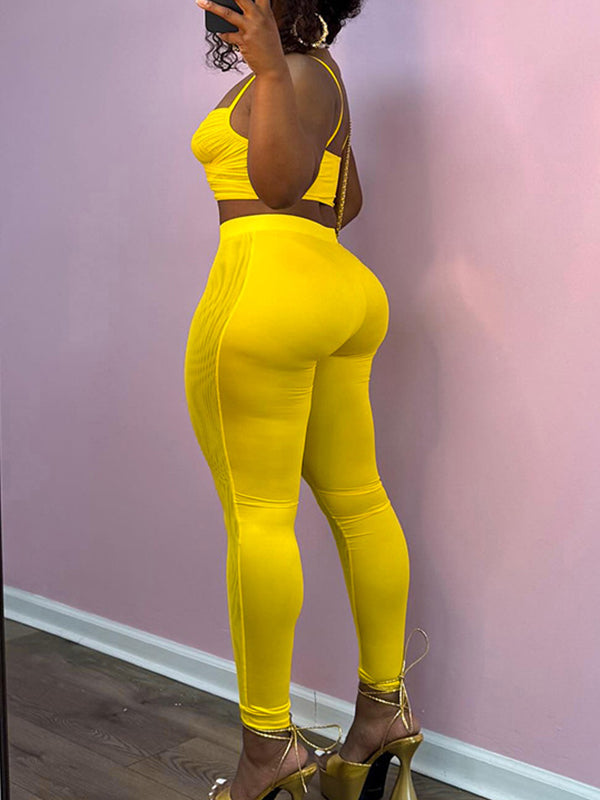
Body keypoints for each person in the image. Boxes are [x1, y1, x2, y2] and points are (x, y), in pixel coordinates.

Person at [183, 1, 430, 799]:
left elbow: (279, 184)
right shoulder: (322, 74)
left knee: (258, 518)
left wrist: (263, 69)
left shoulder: (283, 72)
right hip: (340, 291)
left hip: (265, 290)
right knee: (360, 501)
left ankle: (267, 752)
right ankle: (384, 714)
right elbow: (342, 203)